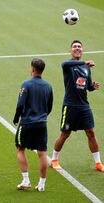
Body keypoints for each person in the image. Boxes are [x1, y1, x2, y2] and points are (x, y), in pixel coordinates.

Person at [51, 40, 104, 172]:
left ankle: (98, 163)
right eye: (74, 47)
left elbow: (87, 86)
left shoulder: (86, 68)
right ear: (71, 50)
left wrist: (92, 87)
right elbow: (65, 63)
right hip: (70, 106)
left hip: (84, 106)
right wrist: (84, 62)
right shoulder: (68, 66)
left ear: (82, 50)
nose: (77, 48)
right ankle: (54, 159)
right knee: (65, 133)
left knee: (91, 132)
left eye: (79, 47)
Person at [13, 58, 53, 192]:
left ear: (33, 69)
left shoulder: (26, 84)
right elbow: (50, 106)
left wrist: (16, 118)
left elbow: (20, 104)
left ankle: (26, 180)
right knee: (42, 153)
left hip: (27, 122)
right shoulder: (48, 86)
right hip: (42, 123)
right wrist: (42, 116)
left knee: (20, 148)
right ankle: (41, 185)